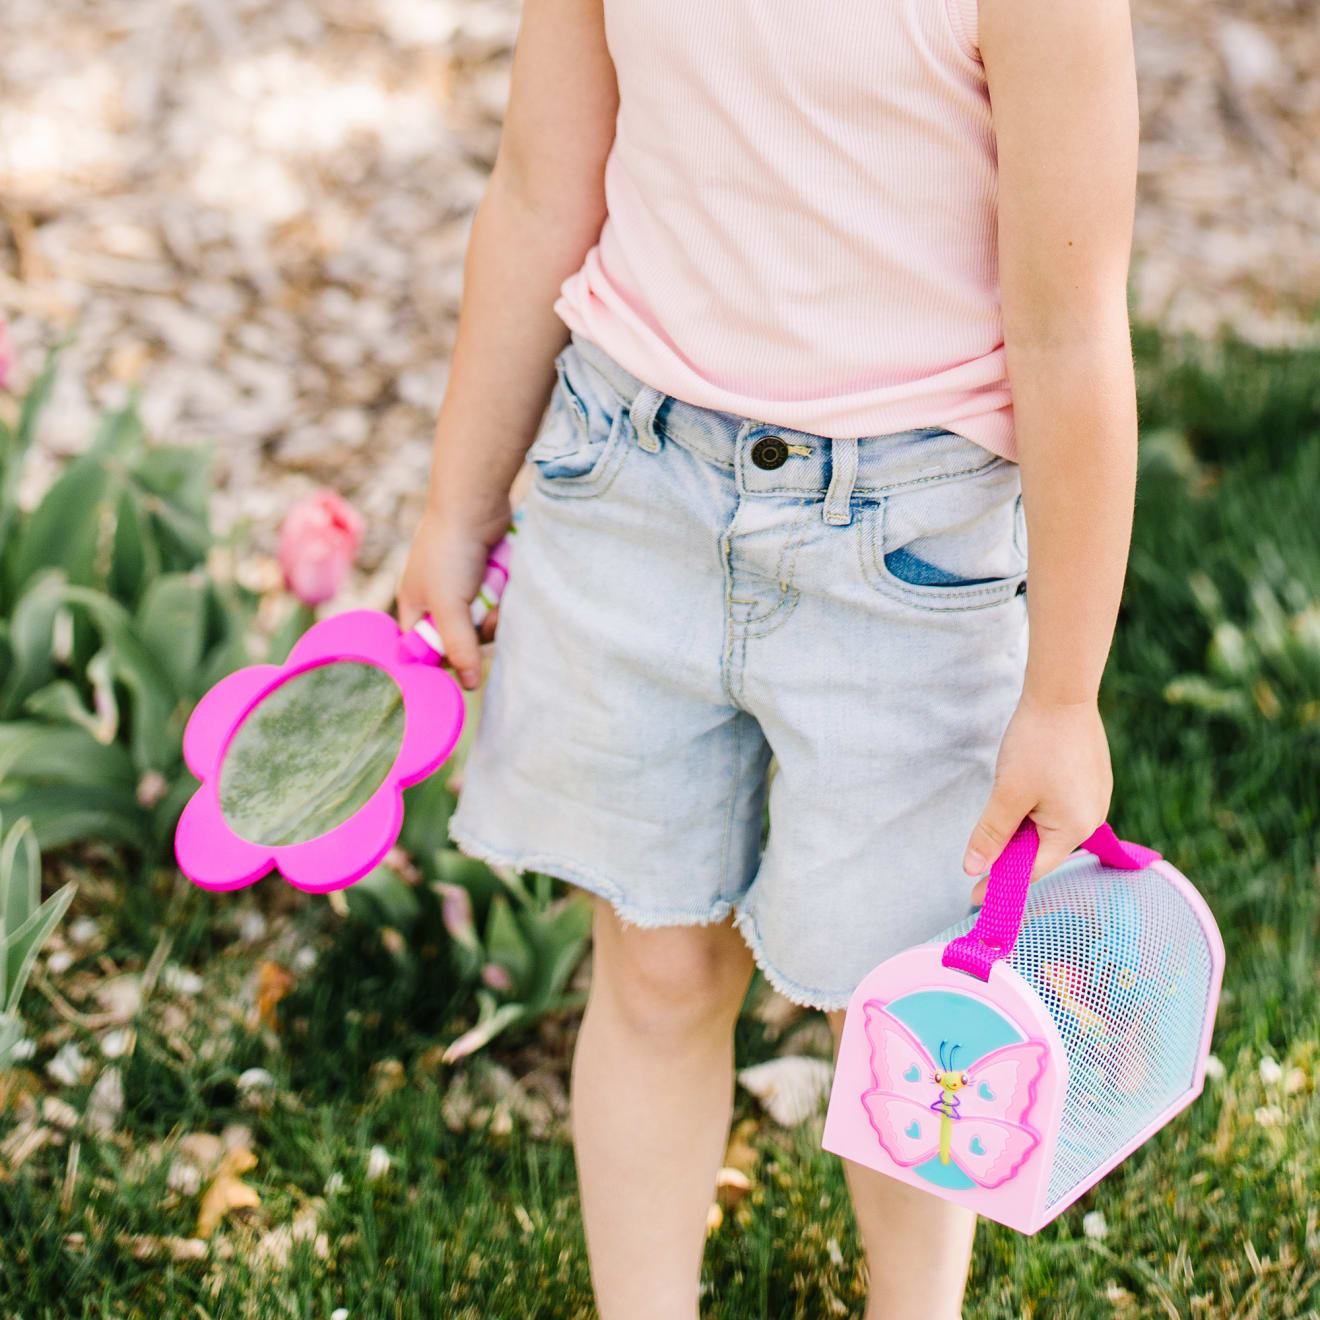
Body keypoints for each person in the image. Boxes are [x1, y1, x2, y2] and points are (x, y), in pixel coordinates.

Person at [395, 0, 1139, 1313]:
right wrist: (455, 513)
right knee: (655, 962)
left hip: (906, 553)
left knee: (907, 1014)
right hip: (632, 483)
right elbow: (535, 190)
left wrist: (1063, 695)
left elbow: (1071, 331)